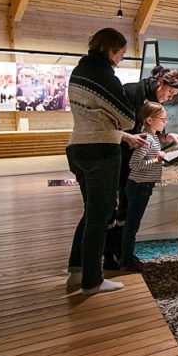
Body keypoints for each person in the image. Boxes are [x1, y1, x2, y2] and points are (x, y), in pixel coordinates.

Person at [65, 28, 148, 294]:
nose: (121, 59)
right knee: (101, 216)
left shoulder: (79, 71)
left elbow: (95, 116)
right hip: (101, 151)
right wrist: (121, 127)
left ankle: (77, 271)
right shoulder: (104, 76)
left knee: (91, 212)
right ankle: (92, 280)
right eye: (122, 54)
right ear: (112, 50)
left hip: (77, 147)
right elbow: (127, 118)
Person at [104, 65, 178, 269]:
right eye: (169, 92)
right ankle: (111, 255)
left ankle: (122, 254)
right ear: (160, 82)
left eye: (174, 95)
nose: (170, 97)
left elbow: (152, 131)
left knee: (126, 208)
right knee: (114, 208)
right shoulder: (132, 92)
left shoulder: (154, 103)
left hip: (132, 160)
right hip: (118, 155)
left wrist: (168, 136)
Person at [120, 102, 168, 272]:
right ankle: (126, 259)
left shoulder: (154, 137)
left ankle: (127, 256)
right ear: (149, 119)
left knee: (133, 223)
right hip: (139, 186)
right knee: (132, 224)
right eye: (162, 119)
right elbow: (134, 164)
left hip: (143, 186)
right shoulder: (146, 139)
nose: (165, 122)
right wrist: (156, 160)